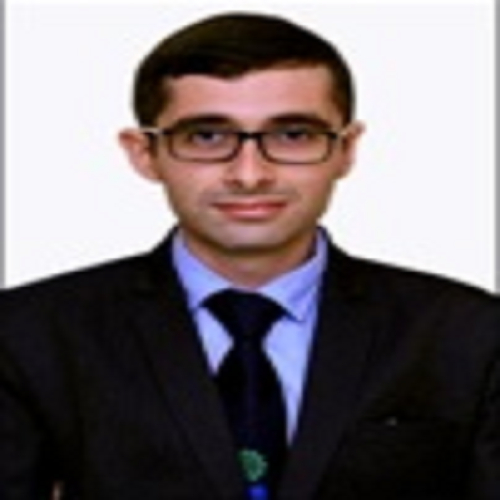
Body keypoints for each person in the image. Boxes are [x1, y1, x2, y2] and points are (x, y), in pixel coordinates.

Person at [0, 11, 498, 500]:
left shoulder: (468, 335)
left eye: (293, 135)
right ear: (144, 153)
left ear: (346, 149)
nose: (250, 174)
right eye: (207, 136)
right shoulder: (27, 335)